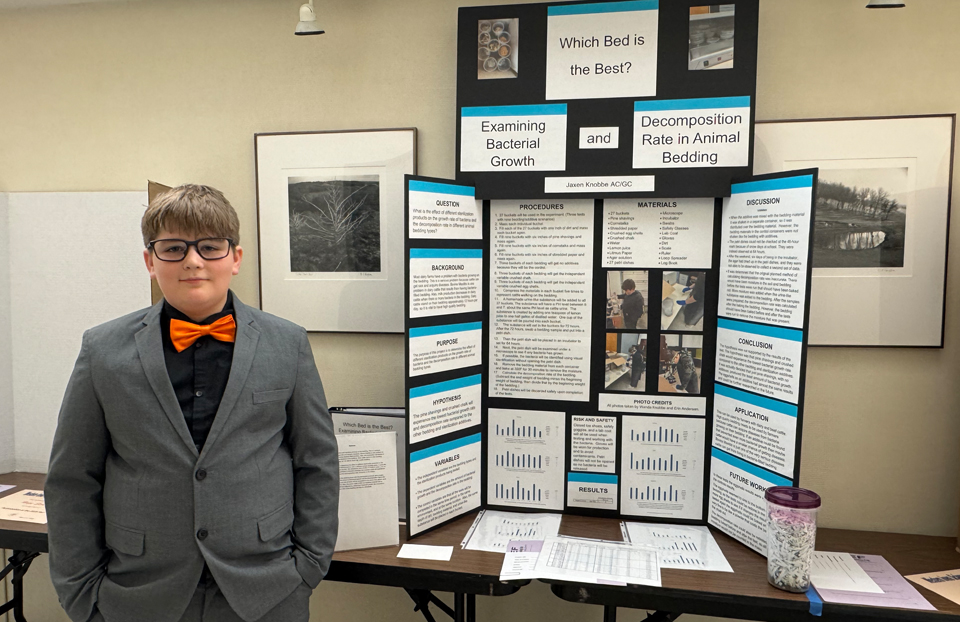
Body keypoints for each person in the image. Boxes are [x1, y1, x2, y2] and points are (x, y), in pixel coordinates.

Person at [45, 185, 339, 622]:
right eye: (174, 248)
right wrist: (80, 591)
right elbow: (72, 477)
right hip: (137, 593)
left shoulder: (287, 342)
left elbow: (316, 460)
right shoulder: (102, 349)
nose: (193, 261)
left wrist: (308, 567)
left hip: (266, 589)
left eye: (209, 246)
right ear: (150, 261)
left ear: (235, 258)